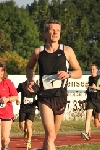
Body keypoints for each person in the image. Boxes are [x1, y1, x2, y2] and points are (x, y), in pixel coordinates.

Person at [26, 19, 82, 150]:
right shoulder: (38, 52)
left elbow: (78, 72)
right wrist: (30, 80)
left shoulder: (67, 50)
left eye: (58, 30)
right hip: (44, 97)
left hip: (60, 96)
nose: (55, 32)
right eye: (52, 30)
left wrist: (68, 75)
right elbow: (29, 68)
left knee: (51, 136)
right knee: (50, 134)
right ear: (45, 33)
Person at [81, 64, 100, 141]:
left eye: (93, 69)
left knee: (99, 118)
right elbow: (90, 90)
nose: (92, 71)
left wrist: (96, 87)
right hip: (90, 100)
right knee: (88, 117)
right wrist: (87, 90)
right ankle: (86, 133)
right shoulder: (89, 78)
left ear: (96, 70)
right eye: (91, 69)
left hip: (98, 100)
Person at [16, 72, 39, 149]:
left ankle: (29, 141)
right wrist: (17, 100)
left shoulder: (36, 87)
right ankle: (25, 131)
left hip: (31, 108)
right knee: (22, 126)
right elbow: (15, 92)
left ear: (34, 76)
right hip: (23, 108)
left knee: (29, 124)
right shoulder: (22, 85)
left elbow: (41, 95)